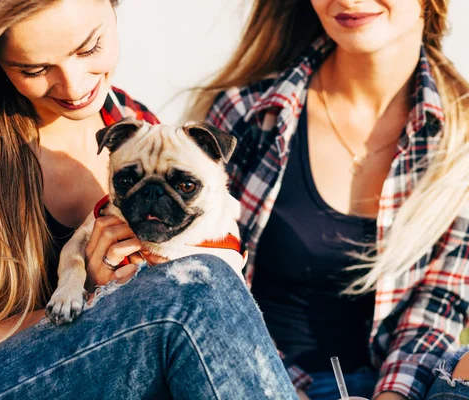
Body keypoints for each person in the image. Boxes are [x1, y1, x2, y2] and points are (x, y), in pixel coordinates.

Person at [0, 0, 298, 399]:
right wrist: (85, 306)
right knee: (195, 289)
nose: (74, 85)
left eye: (90, 47)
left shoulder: (135, 128)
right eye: (35, 68)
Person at [189, 0, 469, 399]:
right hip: (253, 375)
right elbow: (199, 276)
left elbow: (436, 307)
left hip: (401, 384)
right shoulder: (248, 115)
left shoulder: (461, 140)